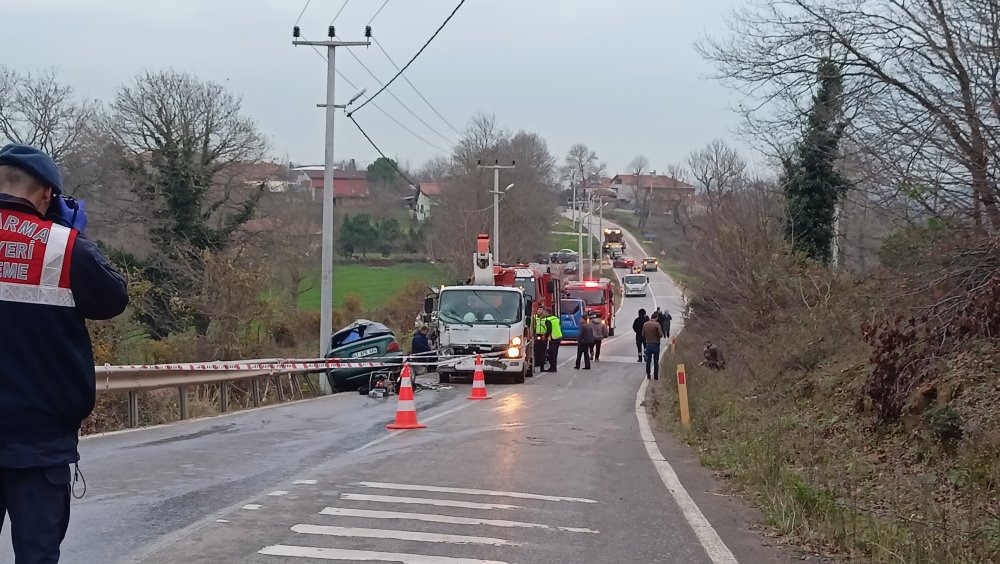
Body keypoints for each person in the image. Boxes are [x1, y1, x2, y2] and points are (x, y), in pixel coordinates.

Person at [0, 144, 129, 563]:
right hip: (39, 443)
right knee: (37, 555)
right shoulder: (63, 247)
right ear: (47, 196)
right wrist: (75, 236)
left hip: (38, 441)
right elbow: (112, 299)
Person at [642, 311, 665, 380]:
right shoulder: (657, 325)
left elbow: (643, 334)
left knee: (648, 361)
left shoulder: (645, 324)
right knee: (655, 361)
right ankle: (655, 376)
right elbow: (661, 335)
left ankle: (648, 374)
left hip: (648, 344)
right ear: (656, 317)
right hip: (656, 345)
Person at [542, 308, 562, 372]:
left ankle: (552, 368)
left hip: (553, 338)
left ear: (547, 312)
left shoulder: (548, 320)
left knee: (551, 354)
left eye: (543, 312)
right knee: (555, 353)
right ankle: (554, 367)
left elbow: (549, 330)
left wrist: (545, 337)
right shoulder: (556, 318)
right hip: (558, 337)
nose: (543, 313)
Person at [533, 307, 549, 372]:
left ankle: (542, 368)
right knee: (535, 352)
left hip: (543, 337)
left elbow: (549, 328)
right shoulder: (535, 318)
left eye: (540, 310)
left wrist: (545, 336)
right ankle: (534, 367)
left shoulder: (546, 319)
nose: (538, 311)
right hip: (536, 336)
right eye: (538, 309)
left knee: (542, 353)